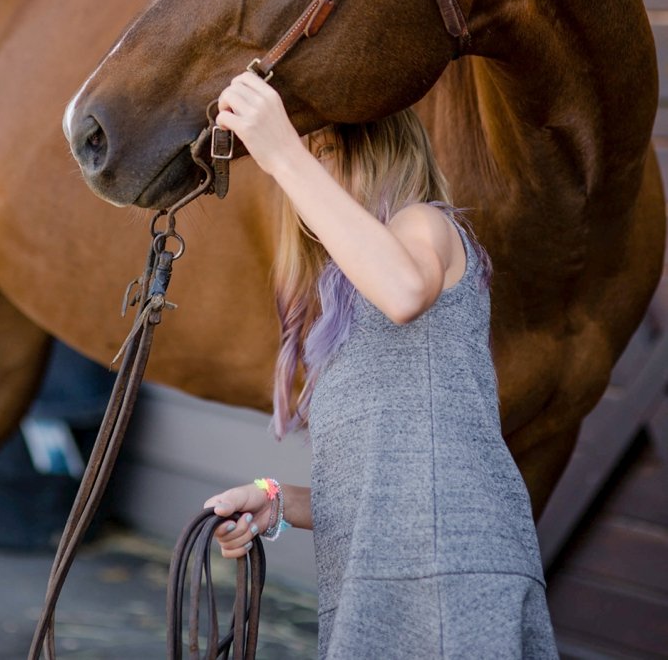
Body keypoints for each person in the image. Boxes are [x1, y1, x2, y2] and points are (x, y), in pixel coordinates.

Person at [203, 70, 558, 659]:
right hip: (378, 587)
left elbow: (402, 290)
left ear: (378, 152)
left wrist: (285, 154)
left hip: (447, 574)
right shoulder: (345, 319)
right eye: (309, 159)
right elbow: (378, 494)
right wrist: (275, 502)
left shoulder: (426, 226)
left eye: (324, 154)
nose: (308, 178)